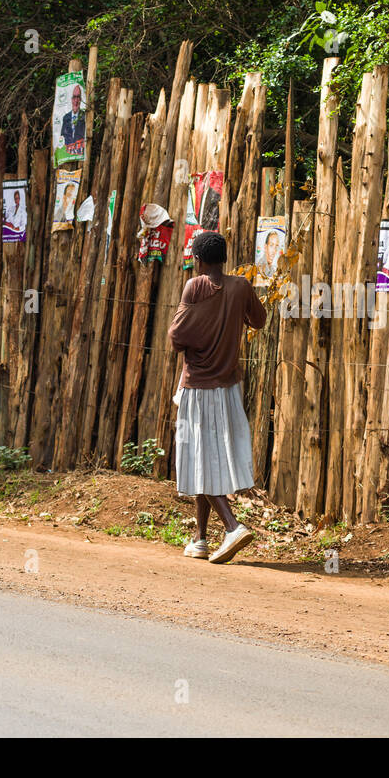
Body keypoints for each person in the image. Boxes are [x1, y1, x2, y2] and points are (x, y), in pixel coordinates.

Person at [169, 230, 267, 564]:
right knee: (207, 458)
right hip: (229, 387)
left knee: (199, 461)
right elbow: (260, 320)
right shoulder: (241, 287)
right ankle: (199, 539)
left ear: (197, 259)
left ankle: (232, 526)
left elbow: (177, 337)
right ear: (224, 257)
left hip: (198, 387)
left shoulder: (195, 286)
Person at [61, 85, 85, 150]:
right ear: (71, 99)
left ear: (81, 99)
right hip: (67, 154)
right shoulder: (65, 118)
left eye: (78, 97)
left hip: (80, 153)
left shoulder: (85, 116)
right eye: (74, 97)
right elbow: (62, 137)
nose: (76, 101)